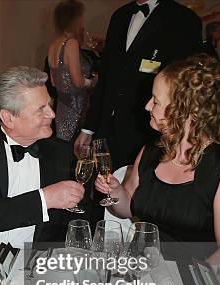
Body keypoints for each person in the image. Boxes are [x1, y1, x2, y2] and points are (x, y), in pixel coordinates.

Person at [95, 54, 220, 265]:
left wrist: (190, 283)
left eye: (156, 101)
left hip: (196, 277)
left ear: (185, 110)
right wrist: (115, 191)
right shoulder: (150, 152)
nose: (147, 106)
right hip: (140, 270)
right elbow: (126, 209)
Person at [0, 66, 86, 247]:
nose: (52, 114)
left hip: (40, 257)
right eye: (41, 110)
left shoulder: (62, 151)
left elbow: (78, 216)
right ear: (8, 118)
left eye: (50, 105)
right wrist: (45, 199)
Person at [75, 0, 203, 171]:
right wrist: (89, 128)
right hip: (108, 130)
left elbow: (185, 85)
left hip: (148, 133)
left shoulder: (184, 20)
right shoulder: (120, 15)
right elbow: (106, 76)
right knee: (104, 191)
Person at [47, 0, 95, 142]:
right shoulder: (71, 43)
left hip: (62, 107)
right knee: (77, 150)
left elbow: (54, 81)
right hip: (77, 109)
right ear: (74, 19)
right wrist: (93, 82)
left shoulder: (53, 45)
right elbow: (78, 82)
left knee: (64, 146)